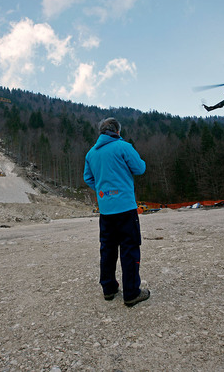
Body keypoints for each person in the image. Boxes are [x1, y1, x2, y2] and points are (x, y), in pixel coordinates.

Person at [83, 117, 150, 307]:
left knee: (108, 249)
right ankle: (131, 293)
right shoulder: (123, 147)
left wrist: (103, 190)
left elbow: (88, 178)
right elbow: (140, 168)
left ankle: (109, 289)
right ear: (117, 131)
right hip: (126, 209)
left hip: (106, 210)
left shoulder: (91, 153)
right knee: (129, 248)